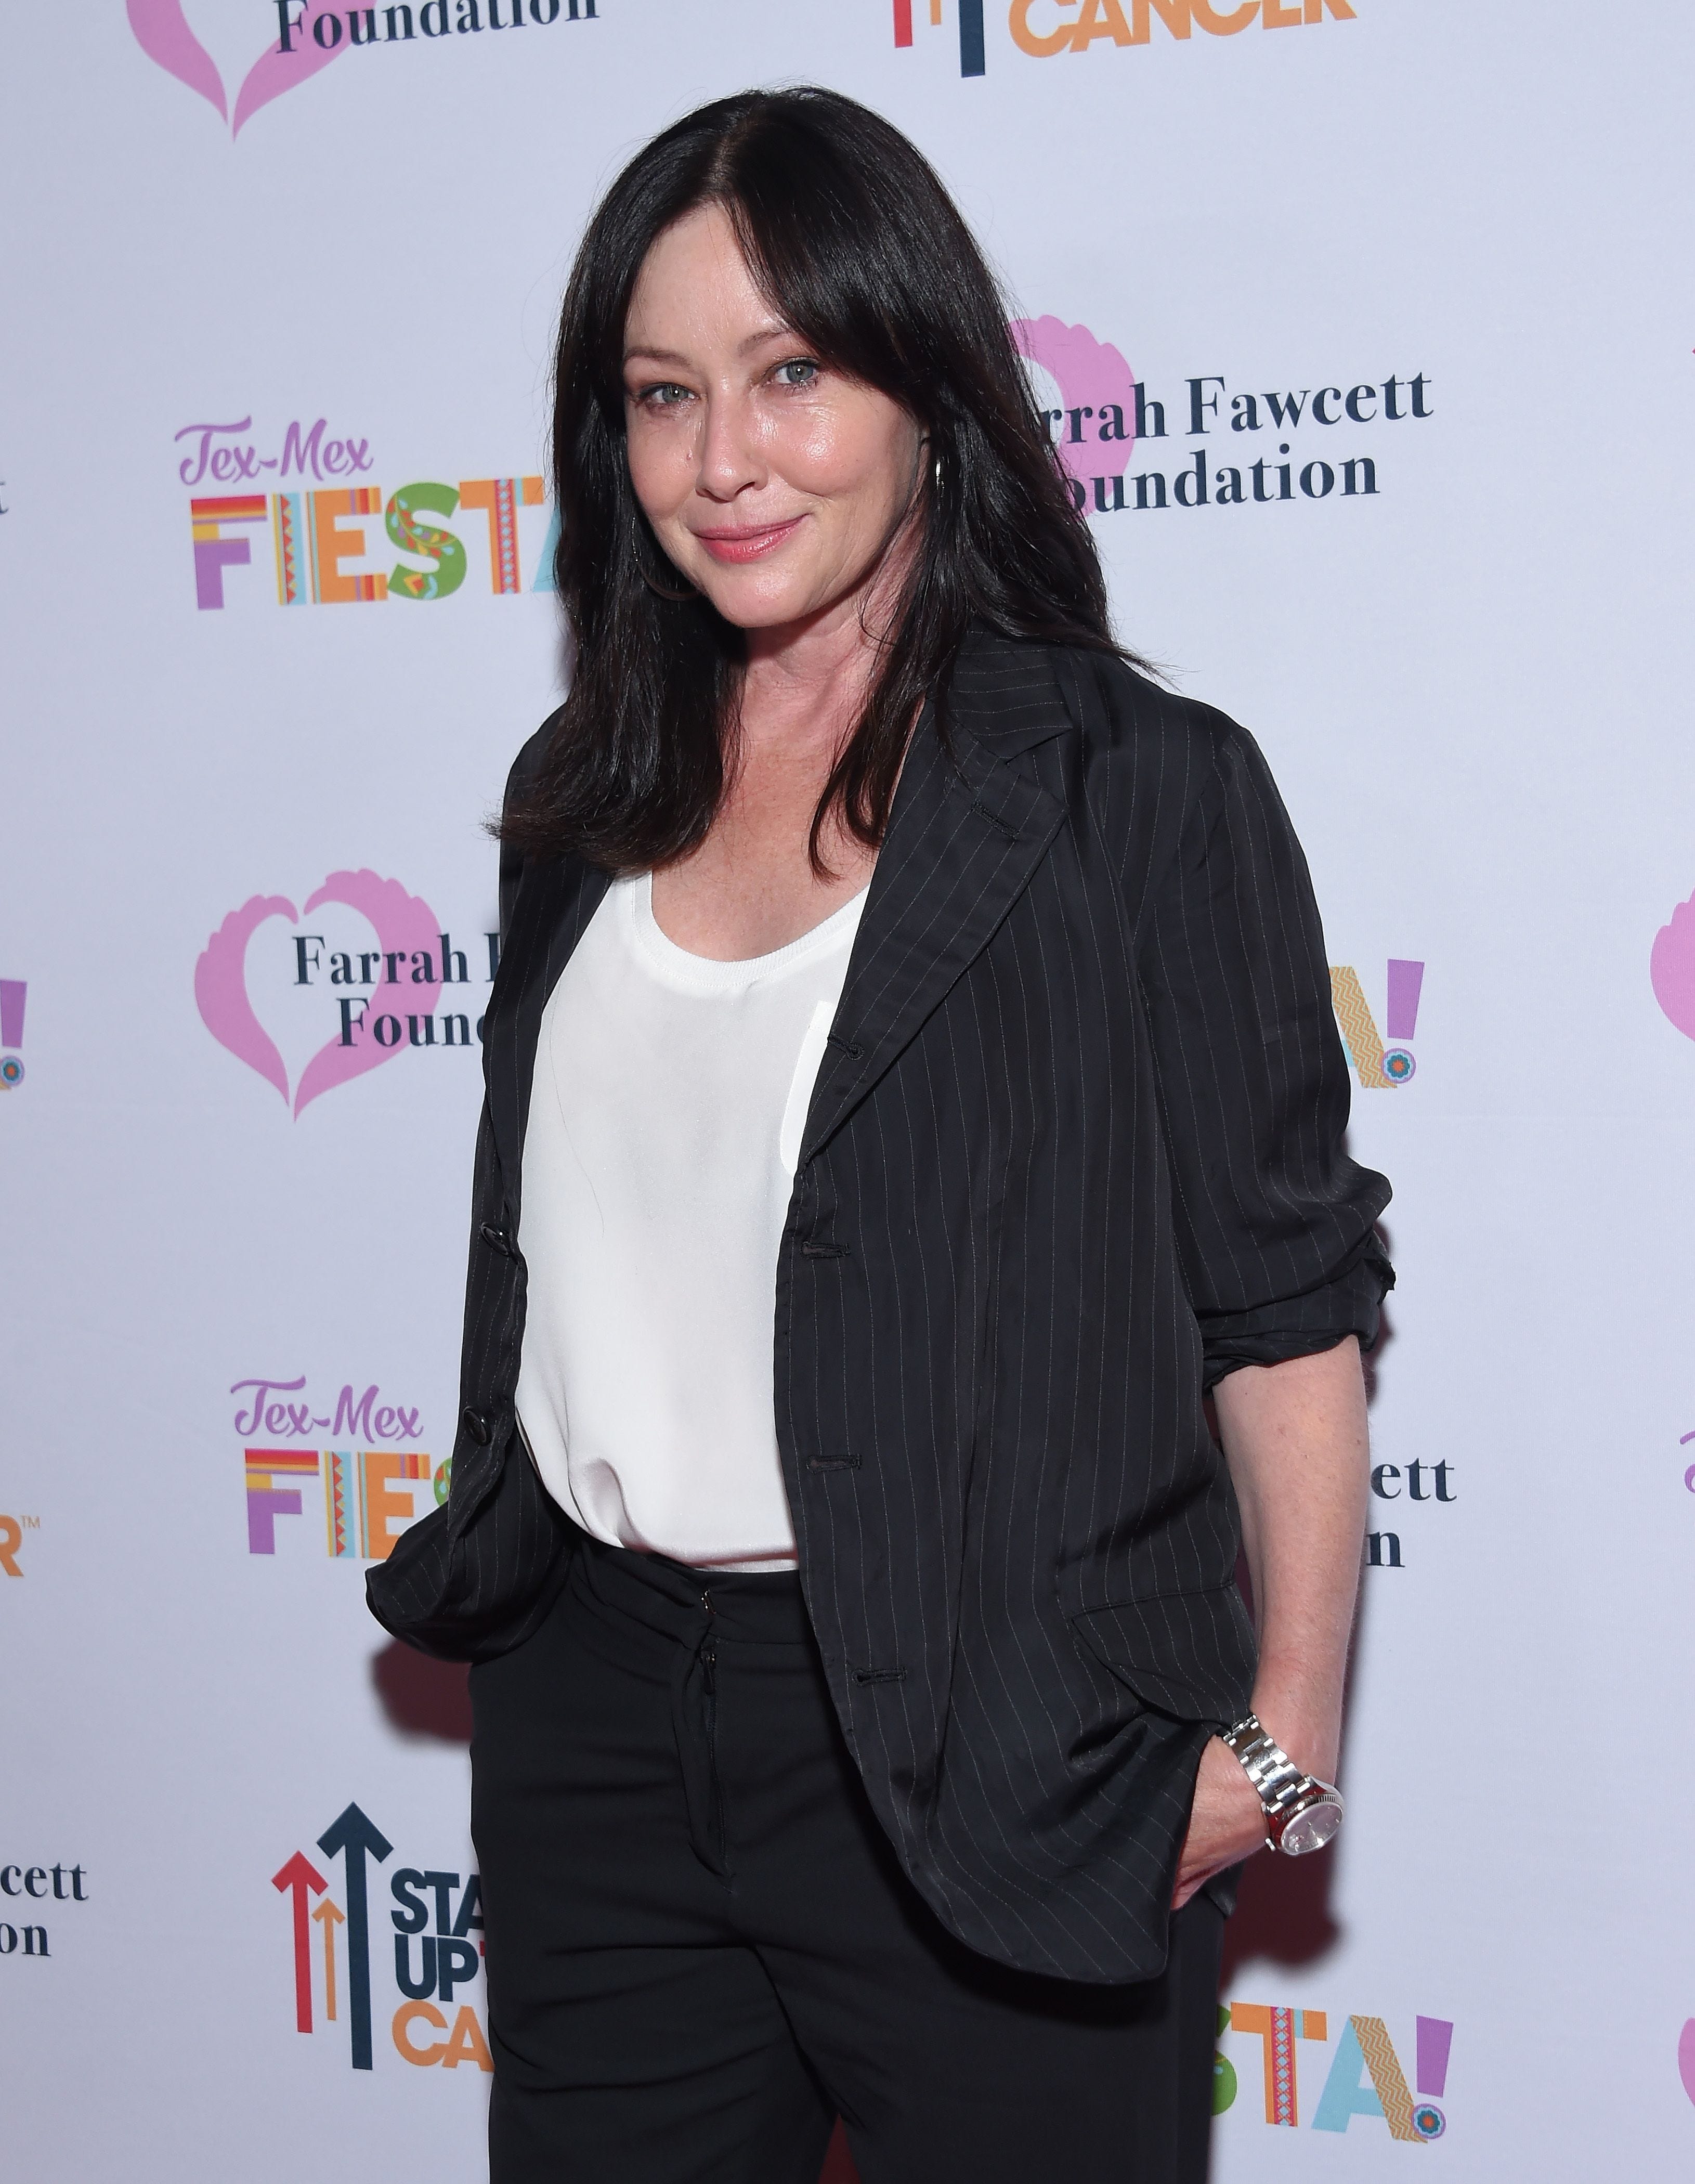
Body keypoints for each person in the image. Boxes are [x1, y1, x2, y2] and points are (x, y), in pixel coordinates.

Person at [369, 85, 1391, 2184]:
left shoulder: (1137, 795)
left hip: (1005, 1731)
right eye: (660, 396)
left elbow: (1279, 1307)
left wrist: (1282, 1761)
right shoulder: (588, 786)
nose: (720, 460)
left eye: (790, 375)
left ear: (928, 385)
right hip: (601, 1720)